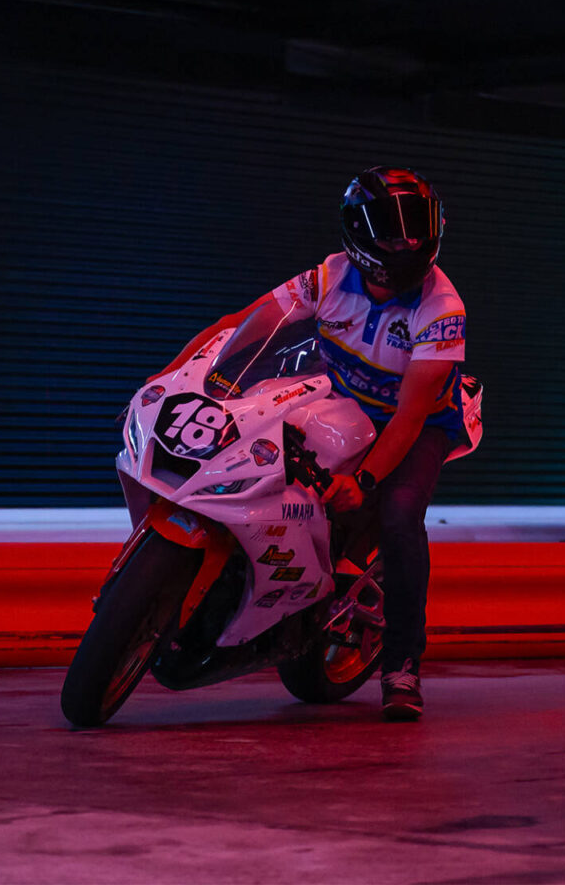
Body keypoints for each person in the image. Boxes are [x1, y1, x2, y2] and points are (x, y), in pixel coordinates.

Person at [154, 166, 479, 721]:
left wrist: (365, 480)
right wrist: (170, 376)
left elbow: (409, 415)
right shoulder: (327, 278)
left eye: (416, 230)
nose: (407, 243)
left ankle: (402, 665)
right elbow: (243, 324)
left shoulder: (442, 309)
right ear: (360, 232)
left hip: (420, 423)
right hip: (342, 400)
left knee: (400, 516)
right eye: (393, 232)